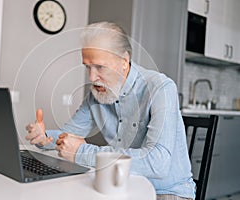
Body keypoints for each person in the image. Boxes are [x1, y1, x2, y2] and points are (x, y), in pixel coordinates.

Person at [25, 21, 195, 200]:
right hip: (121, 185)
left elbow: (157, 164)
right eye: (87, 67)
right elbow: (69, 137)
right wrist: (45, 138)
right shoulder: (97, 94)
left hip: (166, 193)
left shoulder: (160, 88)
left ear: (123, 62)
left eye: (99, 67)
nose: (92, 77)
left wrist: (81, 153)